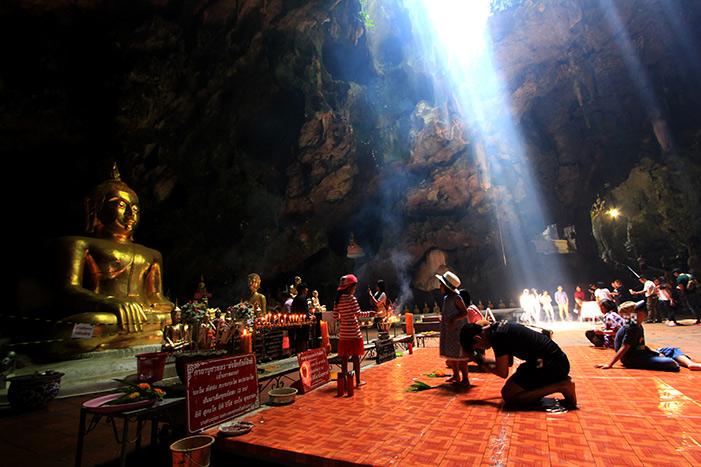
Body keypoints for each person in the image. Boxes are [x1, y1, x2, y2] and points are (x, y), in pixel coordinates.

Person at [56, 164, 174, 342]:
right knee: (91, 324)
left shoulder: (152, 254)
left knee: (167, 319)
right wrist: (109, 302)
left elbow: (156, 296)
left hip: (142, 318)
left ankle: (125, 334)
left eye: (135, 209)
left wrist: (166, 306)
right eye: (121, 205)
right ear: (97, 208)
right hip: (105, 316)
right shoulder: (78, 244)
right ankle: (131, 334)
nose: (130, 214)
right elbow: (68, 290)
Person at [459, 320, 577, 408]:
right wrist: (481, 360)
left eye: (477, 347)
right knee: (509, 390)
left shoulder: (498, 337)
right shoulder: (497, 328)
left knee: (510, 396)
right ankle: (559, 382)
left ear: (477, 338)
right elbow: (508, 363)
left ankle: (562, 386)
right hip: (548, 360)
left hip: (551, 364)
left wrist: (481, 362)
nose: (481, 350)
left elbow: (502, 372)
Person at [597, 301, 701, 371]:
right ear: (637, 314)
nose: (645, 314)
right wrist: (610, 364)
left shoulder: (636, 325)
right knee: (671, 363)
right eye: (642, 312)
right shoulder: (632, 327)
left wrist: (654, 352)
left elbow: (639, 345)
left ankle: (690, 364)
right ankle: (682, 362)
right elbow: (625, 347)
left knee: (671, 350)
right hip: (633, 359)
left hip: (640, 353)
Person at [333, 274, 373, 388]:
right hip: (354, 332)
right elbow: (359, 314)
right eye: (354, 287)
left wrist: (344, 319)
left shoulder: (337, 300)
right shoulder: (352, 298)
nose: (355, 290)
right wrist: (370, 313)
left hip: (344, 333)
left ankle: (345, 381)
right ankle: (358, 381)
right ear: (349, 287)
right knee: (356, 358)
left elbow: (336, 316)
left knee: (344, 358)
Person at [435, 272, 473, 386]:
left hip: (458, 332)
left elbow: (464, 312)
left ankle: (465, 378)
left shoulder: (457, 298)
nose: (439, 287)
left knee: (461, 357)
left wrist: (453, 319)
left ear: (446, 286)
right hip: (450, 332)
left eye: (441, 285)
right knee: (452, 356)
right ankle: (456, 375)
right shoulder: (447, 298)